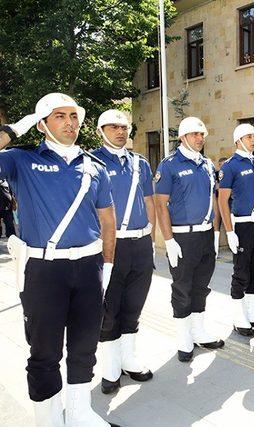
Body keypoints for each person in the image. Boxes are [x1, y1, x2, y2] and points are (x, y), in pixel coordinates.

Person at [0, 93, 117, 426]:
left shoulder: (94, 166)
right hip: (44, 269)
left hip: (89, 266)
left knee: (84, 346)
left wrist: (107, 265)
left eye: (74, 116)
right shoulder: (20, 161)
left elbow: (107, 218)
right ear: (42, 124)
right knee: (45, 353)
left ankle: (80, 413)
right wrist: (16, 127)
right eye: (60, 116)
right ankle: (48, 420)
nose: (70, 122)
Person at [92, 110, 155, 393]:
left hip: (140, 244)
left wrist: (152, 238)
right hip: (110, 244)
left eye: (124, 127)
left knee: (134, 304)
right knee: (108, 309)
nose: (120, 131)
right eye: (113, 127)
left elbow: (149, 200)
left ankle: (129, 359)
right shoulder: (91, 161)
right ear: (100, 130)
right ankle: (110, 367)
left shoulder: (139, 162)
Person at [154, 117, 224, 363]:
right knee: (182, 288)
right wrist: (169, 240)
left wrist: (215, 234)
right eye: (194, 134)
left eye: (202, 134)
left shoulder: (206, 164)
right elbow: (161, 205)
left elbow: (213, 201)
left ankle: (199, 332)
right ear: (183, 137)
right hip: (182, 236)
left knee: (201, 286)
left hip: (205, 234)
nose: (200, 138)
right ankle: (184, 338)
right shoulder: (170, 165)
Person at [218, 123, 254, 337]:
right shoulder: (230, 166)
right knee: (241, 271)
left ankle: (251, 310)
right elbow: (222, 200)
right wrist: (229, 231)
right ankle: (238, 315)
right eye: (249, 136)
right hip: (243, 224)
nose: (253, 140)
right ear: (238, 140)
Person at [213, 157, 229, 259]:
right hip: (217, 202)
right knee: (216, 226)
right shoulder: (215, 174)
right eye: (222, 164)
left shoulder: (230, 173)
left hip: (229, 203)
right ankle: (215, 250)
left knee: (230, 224)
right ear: (219, 165)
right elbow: (214, 187)